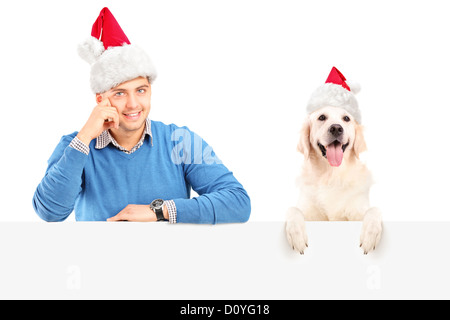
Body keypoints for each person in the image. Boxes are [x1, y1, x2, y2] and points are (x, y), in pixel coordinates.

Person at [32, 7, 251, 224]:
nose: (133, 104)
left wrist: (161, 210)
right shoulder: (75, 145)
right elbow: (50, 212)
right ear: (101, 100)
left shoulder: (180, 140)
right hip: (97, 258)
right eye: (120, 93)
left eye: (140, 90)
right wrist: (85, 137)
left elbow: (238, 202)